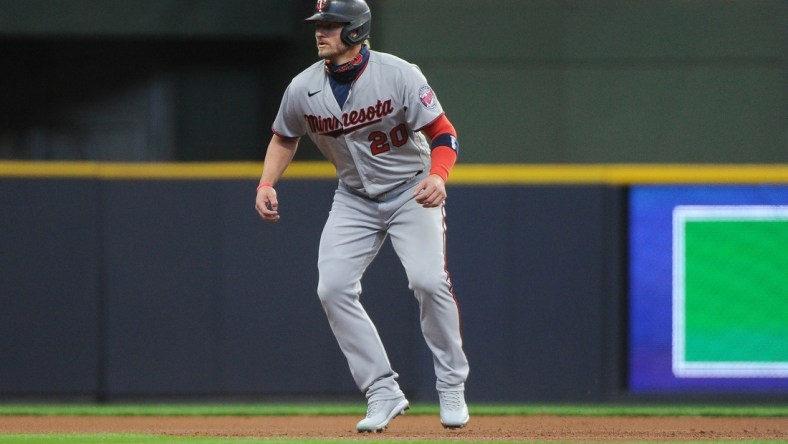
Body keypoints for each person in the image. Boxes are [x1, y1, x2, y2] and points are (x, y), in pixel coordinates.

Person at [254, 0, 469, 433]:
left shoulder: (399, 74)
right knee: (332, 288)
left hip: (412, 189)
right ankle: (381, 390)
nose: (320, 32)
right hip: (353, 197)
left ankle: (450, 384)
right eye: (319, 25)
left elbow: (443, 132)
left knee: (428, 281)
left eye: (331, 25)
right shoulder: (302, 87)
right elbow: (283, 138)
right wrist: (265, 183)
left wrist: (439, 176)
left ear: (355, 30)